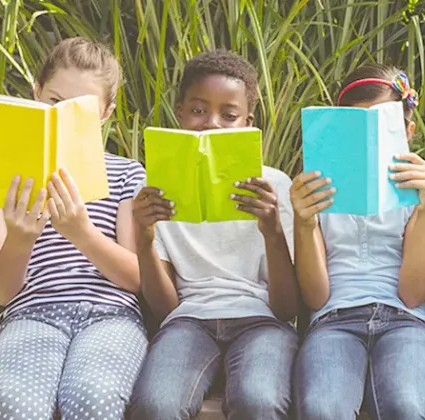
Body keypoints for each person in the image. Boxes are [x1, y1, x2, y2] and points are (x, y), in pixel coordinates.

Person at [0, 37, 147, 420]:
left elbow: (136, 278)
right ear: (36, 93)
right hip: (31, 314)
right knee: (18, 405)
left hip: (110, 316)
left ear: (105, 113)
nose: (63, 112)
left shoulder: (127, 175)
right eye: (54, 101)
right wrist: (21, 238)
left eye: (80, 108)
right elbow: (0, 292)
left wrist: (82, 232)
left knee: (93, 398)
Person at [128, 49, 298, 420]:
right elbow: (165, 308)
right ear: (180, 113)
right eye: (199, 110)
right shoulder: (154, 188)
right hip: (188, 321)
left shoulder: (273, 186)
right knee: (157, 404)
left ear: (248, 122)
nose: (212, 123)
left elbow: (286, 309)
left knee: (259, 400)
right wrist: (143, 238)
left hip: (262, 322)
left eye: (229, 114)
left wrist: (271, 233)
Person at [292, 64, 425, 419]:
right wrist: (304, 222)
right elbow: (316, 297)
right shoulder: (317, 191)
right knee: (322, 409)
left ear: (408, 131)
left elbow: (413, 294)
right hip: (334, 318)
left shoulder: (420, 191)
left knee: (405, 406)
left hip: (406, 319)